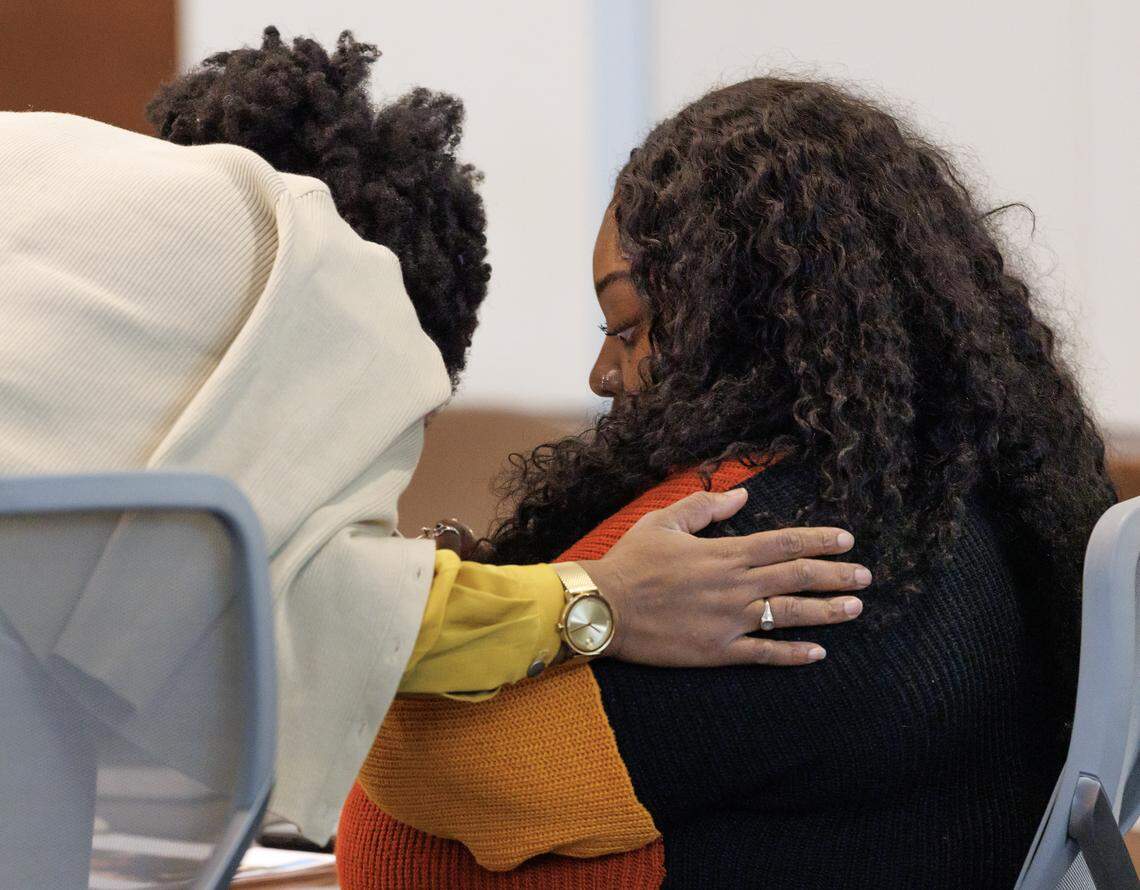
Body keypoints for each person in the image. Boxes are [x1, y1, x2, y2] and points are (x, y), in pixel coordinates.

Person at [0, 28, 866, 868]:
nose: (603, 375)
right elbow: (318, 611)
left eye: (629, 330)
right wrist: (597, 599)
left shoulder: (49, 178)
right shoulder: (328, 260)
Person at [337, 77, 1118, 889]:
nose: (604, 372)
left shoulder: (783, 550)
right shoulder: (938, 493)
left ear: (740, 314)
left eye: (631, 328)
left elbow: (444, 767)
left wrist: (389, 608)